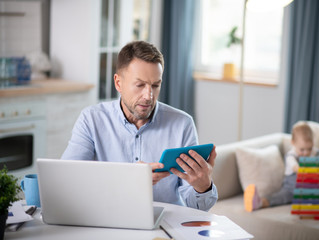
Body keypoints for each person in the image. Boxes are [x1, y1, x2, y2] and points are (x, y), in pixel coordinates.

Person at [61, 41, 218, 211]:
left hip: (165, 226)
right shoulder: (91, 120)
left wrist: (203, 187)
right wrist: (127, 180)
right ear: (118, 83)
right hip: (109, 218)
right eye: (140, 85)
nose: (148, 96)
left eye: (155, 85)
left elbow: (196, 207)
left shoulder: (182, 124)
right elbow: (68, 183)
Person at [244, 121, 319, 216]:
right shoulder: (291, 156)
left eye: (309, 149)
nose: (306, 153)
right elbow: (296, 168)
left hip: (312, 190)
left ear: (313, 143)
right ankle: (258, 203)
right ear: (293, 143)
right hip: (291, 190)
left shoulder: (316, 153)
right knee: (278, 198)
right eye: (302, 150)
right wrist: (308, 169)